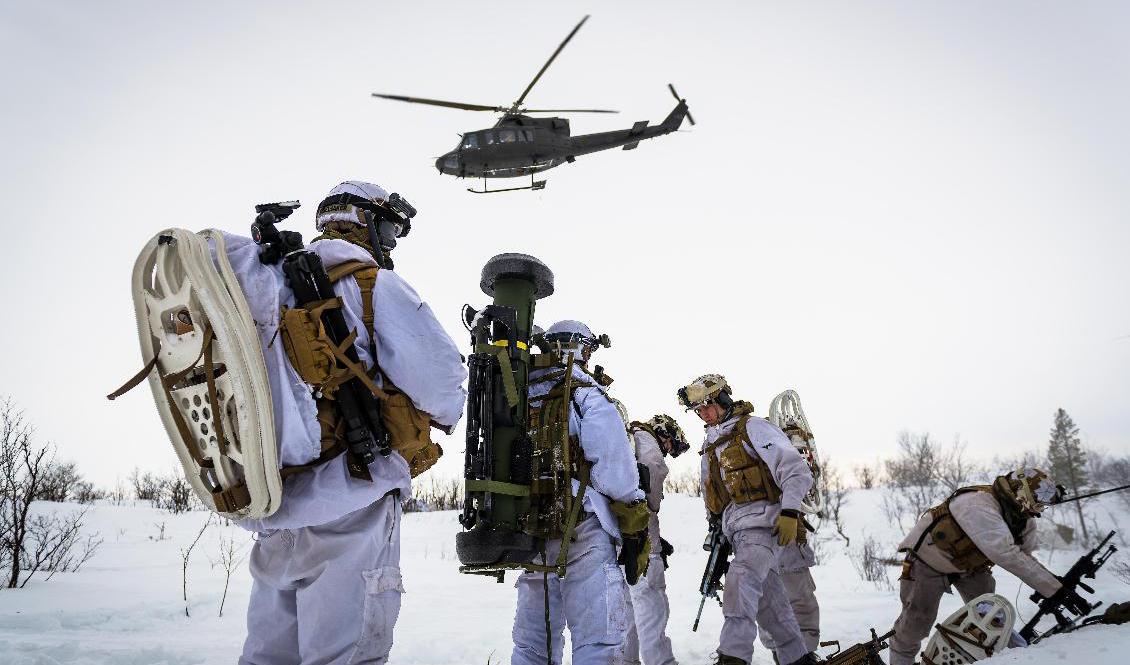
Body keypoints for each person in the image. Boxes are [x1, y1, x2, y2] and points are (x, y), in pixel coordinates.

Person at [235, 181, 467, 664]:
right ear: (371, 224)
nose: (392, 244)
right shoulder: (371, 283)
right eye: (391, 231)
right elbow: (443, 387)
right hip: (351, 497)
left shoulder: (263, 286)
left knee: (267, 658)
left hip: (276, 501)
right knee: (348, 656)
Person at [511, 319, 647, 665]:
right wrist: (634, 516)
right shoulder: (586, 395)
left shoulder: (519, 398)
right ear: (581, 349)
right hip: (582, 524)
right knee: (598, 640)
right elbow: (614, 467)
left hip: (533, 528)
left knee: (532, 645)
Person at [678, 373, 819, 665]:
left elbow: (796, 471)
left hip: (763, 525)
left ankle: (733, 656)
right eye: (697, 410)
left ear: (722, 399)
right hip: (737, 532)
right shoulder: (710, 444)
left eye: (706, 405)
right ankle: (797, 658)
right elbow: (713, 496)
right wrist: (717, 532)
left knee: (740, 583)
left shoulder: (753, 428)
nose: (702, 414)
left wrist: (791, 511)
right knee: (772, 607)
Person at [888, 467, 1081, 665]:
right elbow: (1007, 554)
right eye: (1040, 497)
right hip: (928, 562)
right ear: (1021, 491)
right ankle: (900, 661)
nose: (1042, 506)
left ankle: (1018, 658)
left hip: (969, 569)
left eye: (1047, 498)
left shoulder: (1023, 520)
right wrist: (1054, 589)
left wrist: (1057, 585)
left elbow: (1025, 557)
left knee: (991, 617)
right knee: (916, 622)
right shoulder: (977, 503)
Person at [625, 414, 689, 665]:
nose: (668, 450)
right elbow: (652, 475)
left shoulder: (627, 438)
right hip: (642, 541)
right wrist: (652, 511)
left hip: (619, 539)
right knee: (651, 604)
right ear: (664, 433)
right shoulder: (648, 443)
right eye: (671, 444)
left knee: (626, 609)